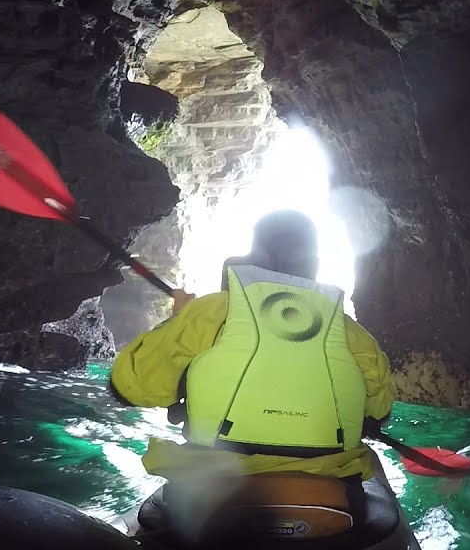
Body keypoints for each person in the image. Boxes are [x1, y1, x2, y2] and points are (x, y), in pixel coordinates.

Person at [109, 209, 396, 541]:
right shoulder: (353, 334)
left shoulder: (210, 312)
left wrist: (178, 322)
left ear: (252, 257)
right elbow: (379, 413)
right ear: (314, 265)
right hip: (331, 501)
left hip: (213, 495)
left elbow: (129, 388)